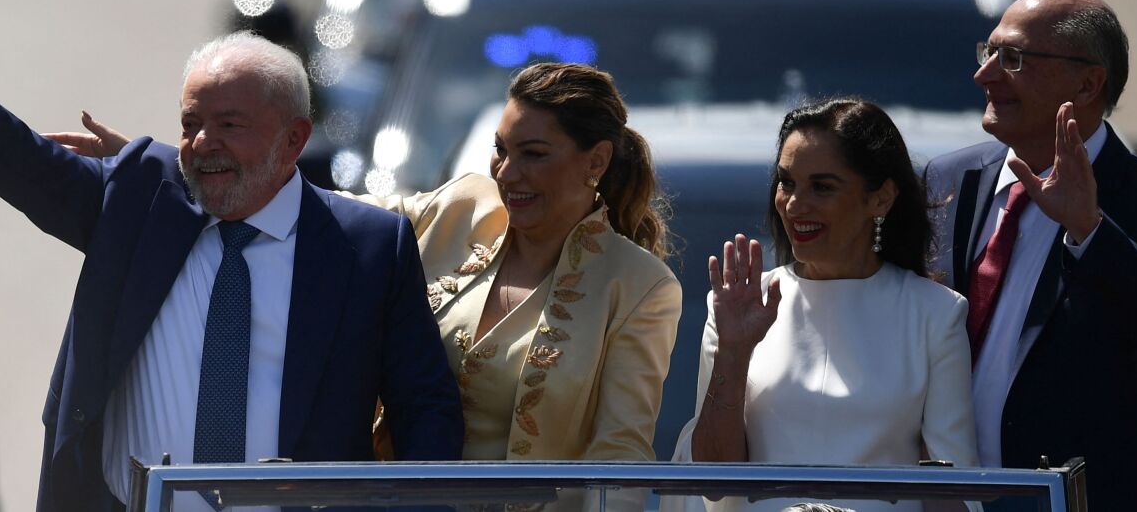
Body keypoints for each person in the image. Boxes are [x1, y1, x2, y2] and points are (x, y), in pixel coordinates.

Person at [0, 0, 463, 512]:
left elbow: (424, 409)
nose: (204, 143)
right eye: (190, 123)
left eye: (230, 124)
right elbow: (22, 161)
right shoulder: (140, 200)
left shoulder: (366, 247)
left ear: (294, 140)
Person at [51, 62, 685, 463]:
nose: (507, 173)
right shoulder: (462, 207)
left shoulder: (639, 288)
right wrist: (178, 162)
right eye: (501, 150)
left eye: (535, 155)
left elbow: (621, 460)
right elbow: (321, 209)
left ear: (595, 162)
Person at [923, 0, 1137, 511]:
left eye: (1012, 59)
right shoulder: (949, 179)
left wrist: (1090, 229)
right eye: (987, 52)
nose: (985, 75)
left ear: (1087, 84)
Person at [673, 98, 977, 512]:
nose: (795, 204)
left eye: (822, 187)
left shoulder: (937, 314)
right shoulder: (739, 305)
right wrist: (733, 350)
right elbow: (712, 480)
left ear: (881, 199)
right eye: (787, 183)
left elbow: (953, 492)